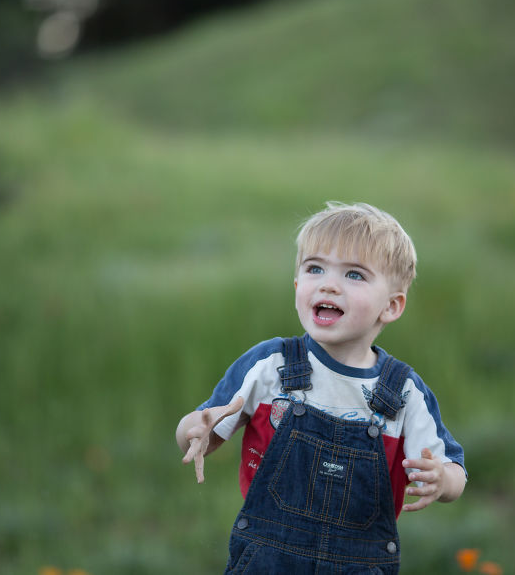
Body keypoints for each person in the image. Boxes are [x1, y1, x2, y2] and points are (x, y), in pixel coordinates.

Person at [175, 201, 466, 573]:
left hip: (359, 565)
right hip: (268, 560)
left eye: (355, 275)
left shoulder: (404, 393)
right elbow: (201, 435)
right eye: (315, 268)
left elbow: (453, 471)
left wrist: (441, 481)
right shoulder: (271, 367)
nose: (328, 283)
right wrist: (194, 429)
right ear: (298, 285)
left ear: (391, 306)